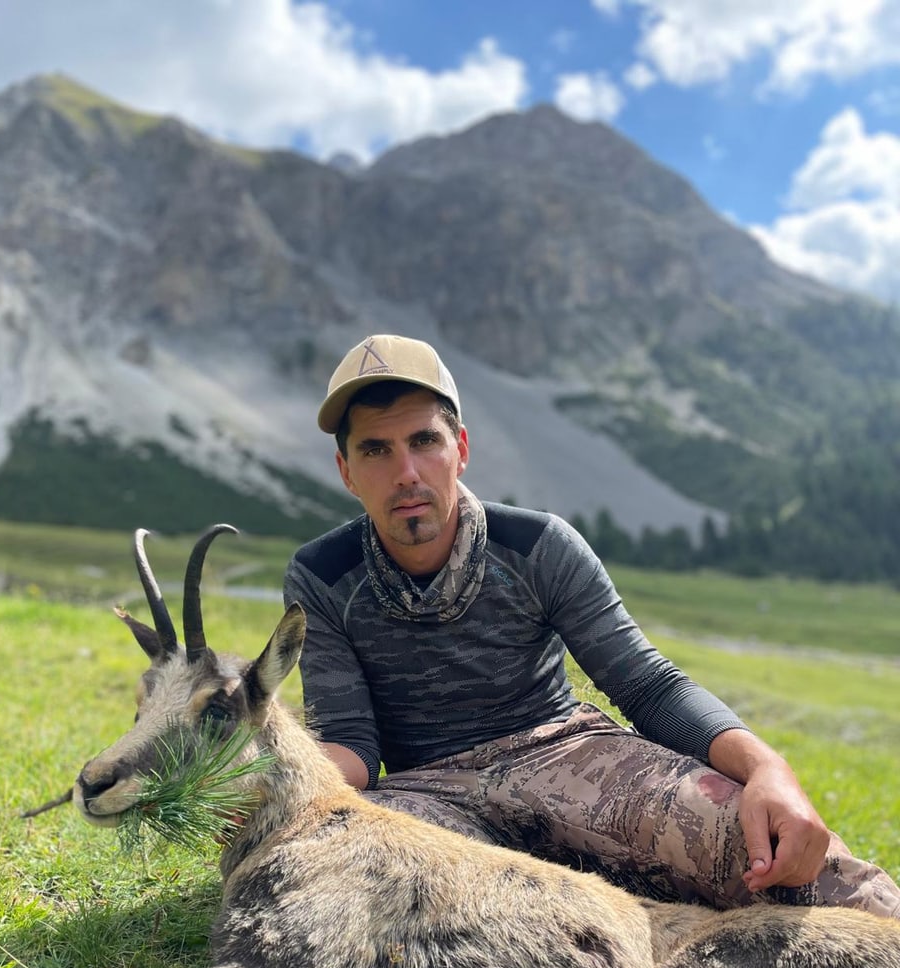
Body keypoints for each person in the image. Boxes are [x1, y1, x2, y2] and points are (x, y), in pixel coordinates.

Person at [283, 334, 900, 915]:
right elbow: (351, 745)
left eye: (424, 442)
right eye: (375, 450)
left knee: (783, 858)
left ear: (460, 450)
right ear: (346, 471)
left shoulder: (539, 546)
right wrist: (268, 785)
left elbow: (649, 688)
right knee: (312, 877)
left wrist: (768, 769)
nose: (406, 473)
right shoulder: (320, 575)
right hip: (424, 798)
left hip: (569, 757)